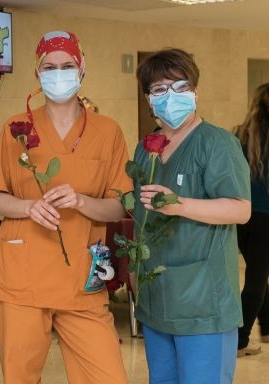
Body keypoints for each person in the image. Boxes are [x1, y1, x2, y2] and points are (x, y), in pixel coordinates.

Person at [0, 31, 130, 383]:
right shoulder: (16, 128)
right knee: (19, 378)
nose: (58, 72)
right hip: (22, 277)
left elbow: (119, 206)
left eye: (67, 65)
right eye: (49, 66)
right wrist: (28, 207)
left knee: (107, 376)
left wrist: (82, 201)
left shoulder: (107, 131)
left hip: (83, 277)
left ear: (82, 69)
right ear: (37, 73)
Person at [133, 48, 251, 384]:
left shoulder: (217, 144)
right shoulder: (146, 149)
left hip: (203, 305)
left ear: (195, 91)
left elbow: (240, 209)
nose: (169, 96)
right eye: (158, 90)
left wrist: (179, 204)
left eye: (179, 86)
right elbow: (139, 212)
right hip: (157, 300)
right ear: (148, 98)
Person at [234, 83, 269, 357]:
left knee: (258, 272)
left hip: (241, 215)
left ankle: (267, 328)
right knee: (257, 278)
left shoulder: (240, 134)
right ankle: (240, 340)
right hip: (266, 217)